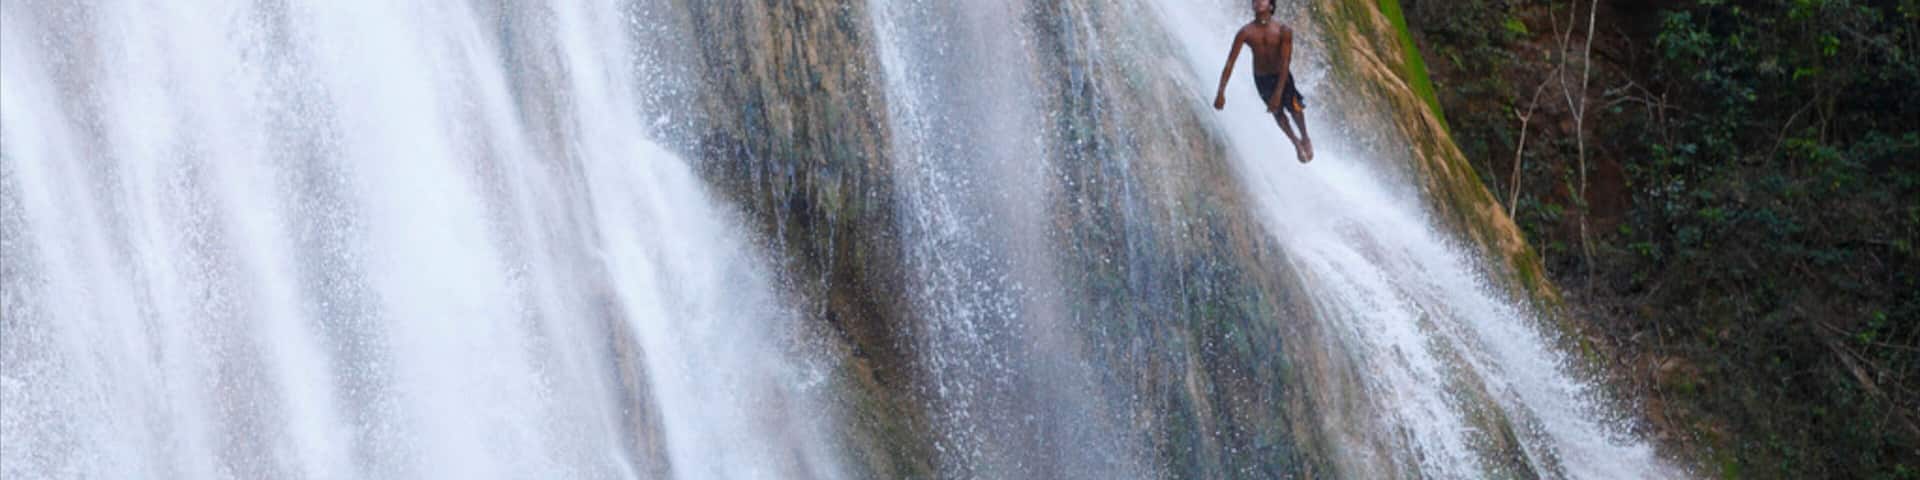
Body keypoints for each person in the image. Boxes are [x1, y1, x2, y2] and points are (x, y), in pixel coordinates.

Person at [1212, 0, 1313, 163]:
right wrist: (1220, 92)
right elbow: (1230, 62)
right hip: (1262, 79)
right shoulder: (1245, 32)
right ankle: (1296, 143)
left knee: (1295, 108)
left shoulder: (1283, 30)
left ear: (1271, 5)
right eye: (1255, 0)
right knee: (1277, 112)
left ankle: (1305, 137)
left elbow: (1286, 61)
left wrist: (1279, 92)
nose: (1258, 1)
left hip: (1282, 75)